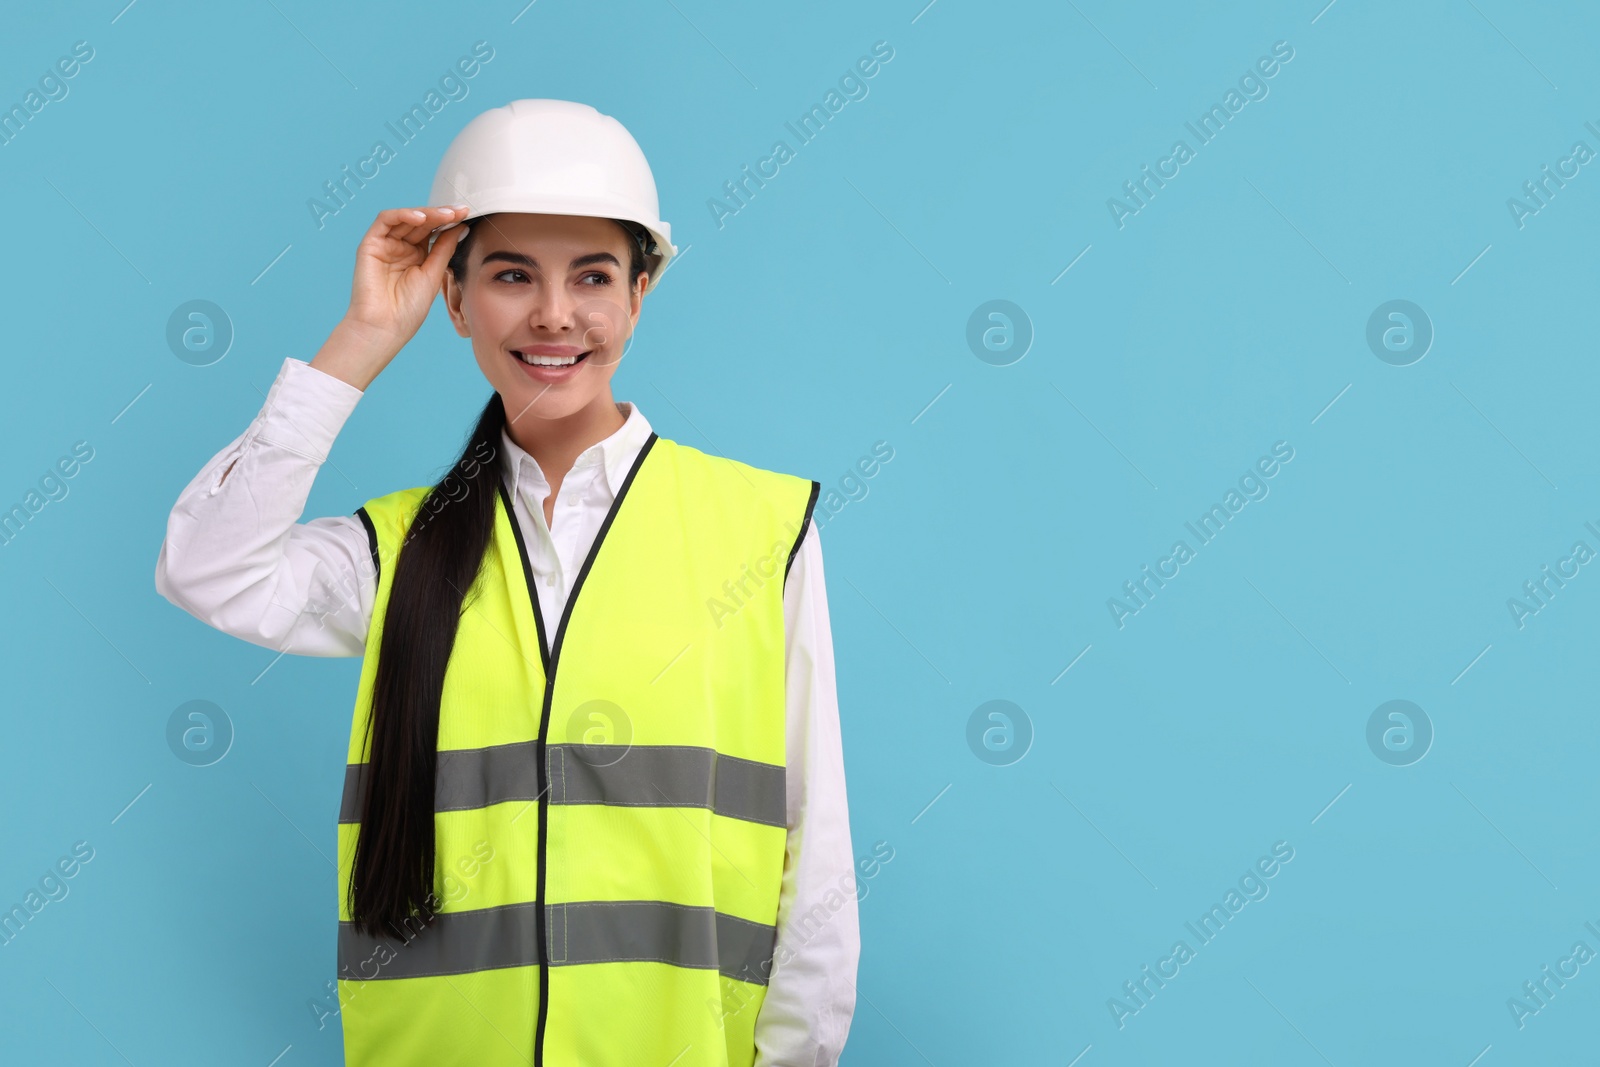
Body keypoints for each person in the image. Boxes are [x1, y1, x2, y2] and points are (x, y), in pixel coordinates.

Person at [154, 99, 858, 1067]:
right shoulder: (398, 547)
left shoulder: (761, 528)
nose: (554, 314)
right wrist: (359, 340)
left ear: (640, 295)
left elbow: (814, 843)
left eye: (594, 276)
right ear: (452, 299)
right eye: (510, 274)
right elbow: (208, 568)